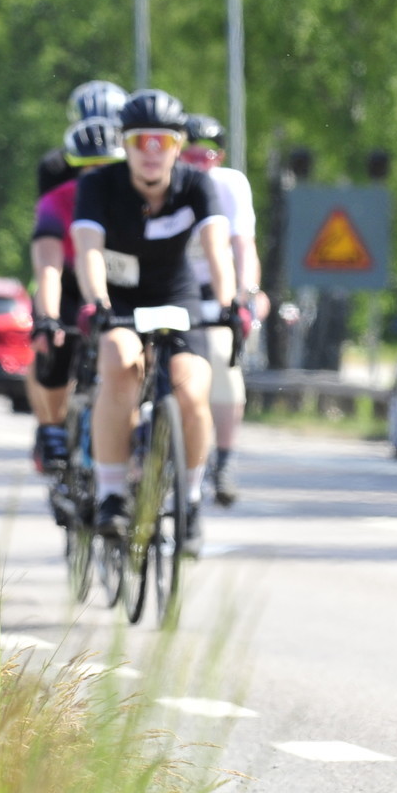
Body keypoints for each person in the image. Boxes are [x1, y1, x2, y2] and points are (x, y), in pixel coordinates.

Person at [70, 90, 242, 553]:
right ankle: (111, 494)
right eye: (140, 141)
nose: (151, 153)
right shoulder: (99, 185)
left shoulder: (196, 185)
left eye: (162, 142)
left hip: (174, 294)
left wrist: (230, 303)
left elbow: (217, 250)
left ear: (178, 146)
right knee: (119, 360)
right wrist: (97, 302)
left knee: (191, 388)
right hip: (119, 295)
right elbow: (88, 251)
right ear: (124, 145)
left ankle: (190, 499)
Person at [26, 116, 127, 474]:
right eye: (88, 167)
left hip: (122, 288)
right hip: (69, 285)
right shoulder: (57, 201)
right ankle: (53, 428)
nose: (98, 174)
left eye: (108, 166)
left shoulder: (139, 200)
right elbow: (48, 268)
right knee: (55, 346)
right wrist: (48, 318)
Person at [179, 113, 263, 505]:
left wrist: (246, 296)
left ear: (220, 157)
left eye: (207, 154)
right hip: (165, 291)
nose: (198, 162)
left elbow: (243, 246)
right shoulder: (161, 183)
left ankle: (224, 460)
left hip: (214, 293)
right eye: (189, 153)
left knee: (223, 365)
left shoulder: (231, 185)